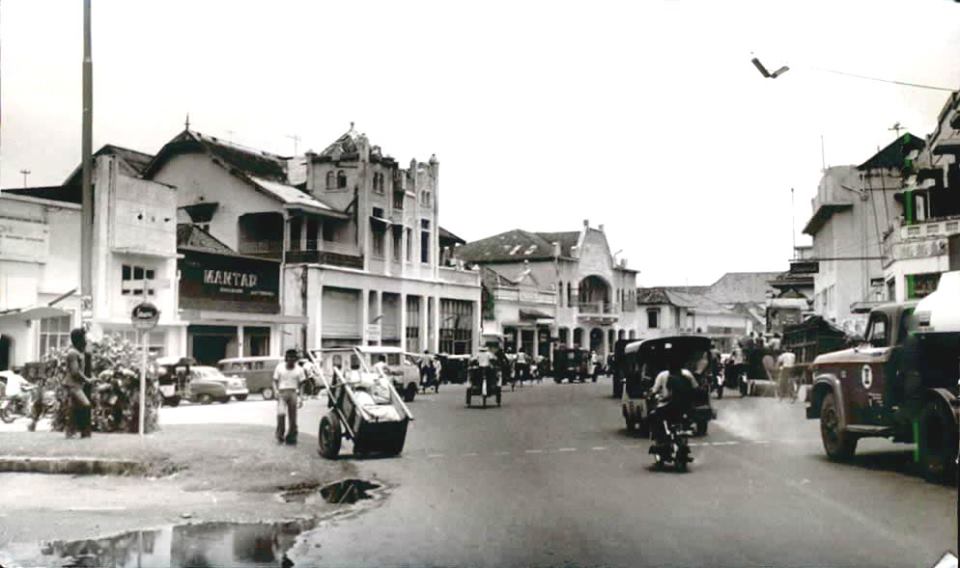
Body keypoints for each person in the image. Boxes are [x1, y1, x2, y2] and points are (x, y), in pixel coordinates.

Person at [649, 353, 700, 454]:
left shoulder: (665, 376)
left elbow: (659, 392)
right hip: (685, 407)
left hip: (669, 407)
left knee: (654, 416)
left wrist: (653, 396)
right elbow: (695, 388)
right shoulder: (687, 374)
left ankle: (661, 441)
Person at [64, 328, 93, 438]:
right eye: (84, 338)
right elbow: (75, 372)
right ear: (79, 340)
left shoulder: (78, 353)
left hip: (76, 385)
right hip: (73, 385)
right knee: (86, 405)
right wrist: (87, 379)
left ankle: (70, 432)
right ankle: (81, 431)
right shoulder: (73, 353)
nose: (86, 341)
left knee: (74, 408)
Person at [273, 349, 305, 445]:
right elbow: (274, 381)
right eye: (289, 357)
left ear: (296, 359)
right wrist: (275, 391)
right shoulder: (280, 367)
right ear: (286, 358)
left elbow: (302, 384)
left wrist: (301, 397)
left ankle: (292, 436)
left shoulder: (299, 369)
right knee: (281, 414)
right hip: (282, 393)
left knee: (293, 417)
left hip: (293, 392)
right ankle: (280, 434)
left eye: (293, 358)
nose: (291, 360)